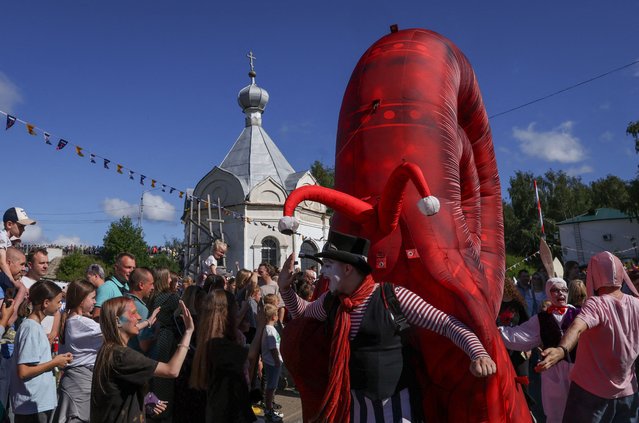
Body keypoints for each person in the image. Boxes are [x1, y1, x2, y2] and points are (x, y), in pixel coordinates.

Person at [279, 230, 496, 422]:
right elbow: (303, 314)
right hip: (352, 406)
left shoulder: (392, 296)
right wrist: (285, 289)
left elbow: (446, 324)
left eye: (328, 266)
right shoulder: (331, 301)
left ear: (347, 269)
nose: (323, 273)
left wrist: (478, 354)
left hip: (395, 409)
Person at [537, 251, 639, 422]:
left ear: (594, 274)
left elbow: (577, 327)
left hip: (590, 393)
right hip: (629, 393)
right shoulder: (636, 304)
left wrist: (561, 350)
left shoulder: (596, 303)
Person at [90, 297, 194, 423]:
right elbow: (172, 370)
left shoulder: (108, 349)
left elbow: (119, 390)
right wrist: (188, 332)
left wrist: (148, 322)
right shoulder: (124, 356)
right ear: (117, 321)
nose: (139, 317)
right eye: (133, 313)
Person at [499, 277, 580, 423]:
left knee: (581, 410)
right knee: (556, 412)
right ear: (548, 293)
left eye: (564, 290)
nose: (560, 293)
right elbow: (519, 335)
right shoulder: (540, 319)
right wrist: (494, 329)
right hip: (552, 372)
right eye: (555, 290)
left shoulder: (580, 314)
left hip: (578, 369)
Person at [10, 281, 73, 422]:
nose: (59, 306)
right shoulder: (30, 328)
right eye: (57, 302)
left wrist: (56, 360)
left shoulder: (34, 327)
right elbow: (24, 371)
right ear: (46, 303)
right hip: (32, 404)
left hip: (37, 403)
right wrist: (54, 362)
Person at [190, 290, 256, 422]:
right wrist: (261, 326)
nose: (237, 312)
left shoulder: (207, 341)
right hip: (229, 413)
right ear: (227, 312)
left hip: (216, 411)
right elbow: (251, 356)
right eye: (235, 307)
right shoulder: (222, 347)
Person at [55, 280, 103, 423]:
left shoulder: (71, 320)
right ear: (82, 300)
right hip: (81, 382)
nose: (95, 302)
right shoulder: (82, 322)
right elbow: (114, 332)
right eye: (93, 298)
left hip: (74, 381)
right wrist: (146, 323)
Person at [148, 268, 181, 422]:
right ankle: (164, 412)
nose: (171, 280)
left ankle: (153, 407)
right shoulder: (172, 297)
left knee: (155, 374)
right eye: (168, 278)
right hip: (166, 338)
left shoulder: (152, 296)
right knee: (165, 376)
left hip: (154, 336)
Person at [496, 277, 531, 408]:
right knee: (503, 380)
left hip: (518, 347)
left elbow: (527, 325)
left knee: (522, 378)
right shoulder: (494, 302)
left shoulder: (517, 304)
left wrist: (529, 347)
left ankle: (527, 409)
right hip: (500, 347)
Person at [0, 208, 34, 323]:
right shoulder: (1, 236)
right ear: (9, 224)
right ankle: (8, 321)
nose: (24, 229)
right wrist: (13, 282)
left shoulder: (8, 240)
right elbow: (2, 262)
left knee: (21, 289)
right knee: (21, 289)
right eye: (21, 226)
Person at [125, 268, 160, 353]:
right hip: (136, 359)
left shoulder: (121, 300)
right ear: (141, 285)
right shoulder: (140, 309)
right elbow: (143, 345)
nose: (153, 288)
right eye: (151, 284)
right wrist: (157, 331)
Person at [93, 253, 136, 320]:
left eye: (133, 268)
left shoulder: (128, 287)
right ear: (116, 267)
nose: (132, 271)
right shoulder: (107, 287)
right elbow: (96, 316)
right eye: (128, 267)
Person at [261, 304, 283, 422]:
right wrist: (277, 361)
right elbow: (272, 348)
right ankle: (268, 410)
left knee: (272, 387)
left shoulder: (270, 329)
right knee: (271, 387)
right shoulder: (269, 330)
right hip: (272, 363)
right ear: (274, 317)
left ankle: (269, 408)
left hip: (273, 362)